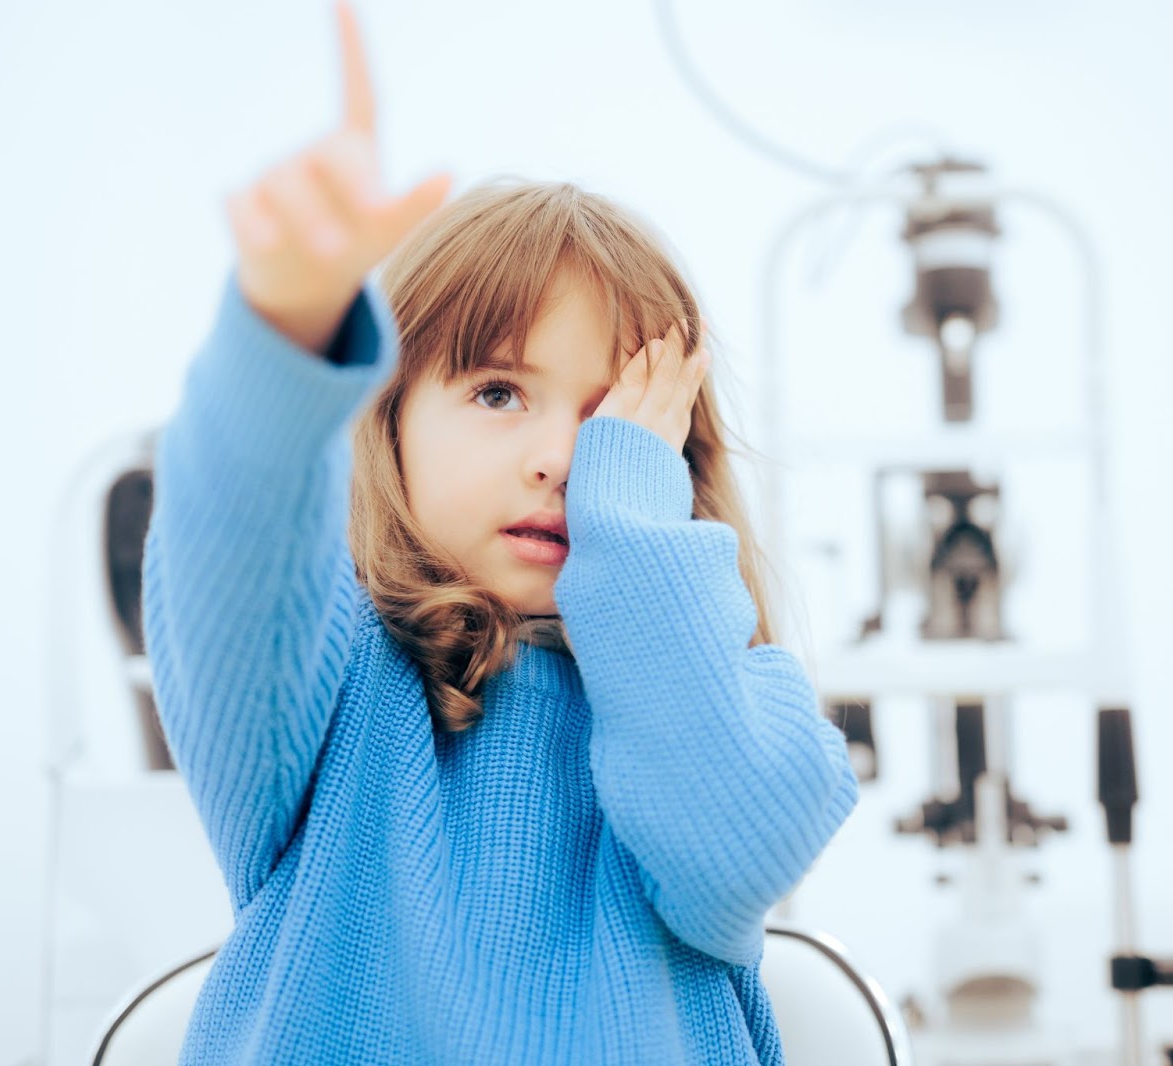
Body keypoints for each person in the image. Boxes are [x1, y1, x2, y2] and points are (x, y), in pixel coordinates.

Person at [142, 2, 859, 1062]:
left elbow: (732, 846)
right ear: (384, 420)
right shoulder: (329, 682)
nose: (563, 460)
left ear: (670, 473)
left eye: (612, 420)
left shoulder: (745, 700)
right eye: (495, 392)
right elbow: (233, 552)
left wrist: (629, 533)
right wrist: (285, 328)